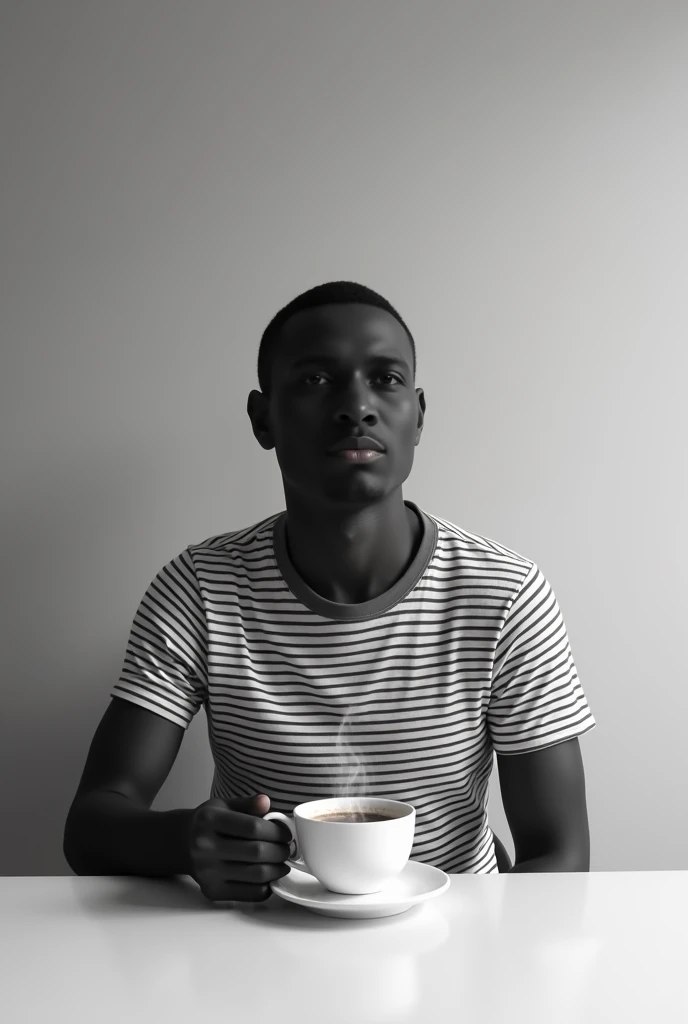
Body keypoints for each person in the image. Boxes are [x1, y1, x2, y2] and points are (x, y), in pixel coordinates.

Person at [63, 280, 596, 902]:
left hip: (453, 945)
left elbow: (561, 856)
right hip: (260, 941)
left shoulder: (505, 595)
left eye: (386, 380)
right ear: (264, 419)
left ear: (418, 415)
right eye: (317, 380)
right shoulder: (202, 588)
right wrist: (186, 841)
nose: (357, 406)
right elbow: (90, 827)